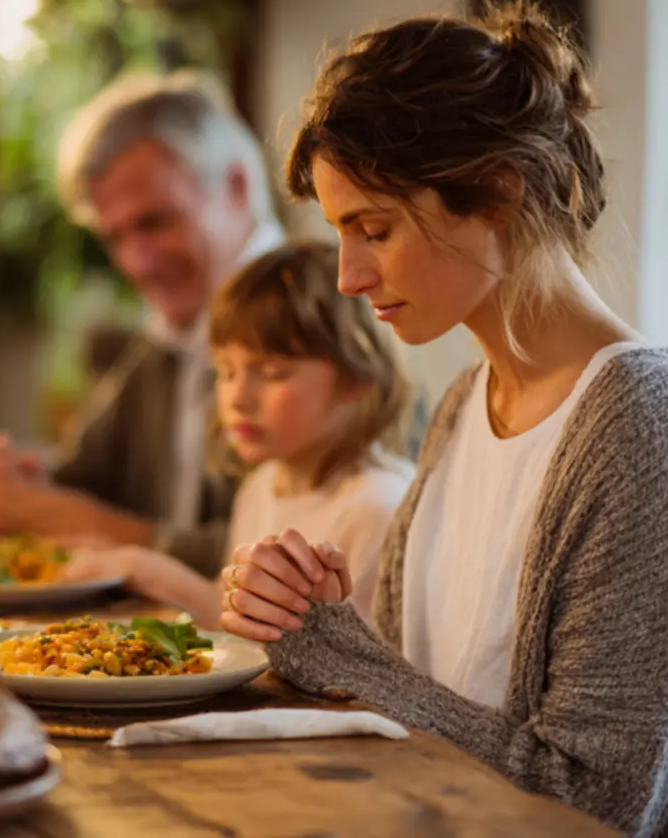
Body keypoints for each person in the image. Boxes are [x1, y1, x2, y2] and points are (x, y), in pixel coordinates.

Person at [218, 0, 668, 836]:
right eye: (340, 234)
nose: (348, 277)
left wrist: (349, 659)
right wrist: (314, 621)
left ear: (498, 195)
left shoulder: (642, 421)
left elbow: (598, 800)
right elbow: (424, 700)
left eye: (374, 229)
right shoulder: (463, 407)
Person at [0, 72, 285, 577]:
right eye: (115, 237)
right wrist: (13, 480)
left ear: (236, 186)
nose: (137, 263)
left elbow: (299, 556)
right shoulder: (169, 335)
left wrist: (93, 525)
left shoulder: (319, 323)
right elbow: (86, 476)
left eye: (156, 222)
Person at [63, 242, 414, 626]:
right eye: (226, 372)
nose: (237, 398)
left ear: (356, 378)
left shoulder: (375, 509)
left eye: (270, 373)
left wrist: (141, 567)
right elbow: (238, 625)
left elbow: (346, 669)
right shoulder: (260, 487)